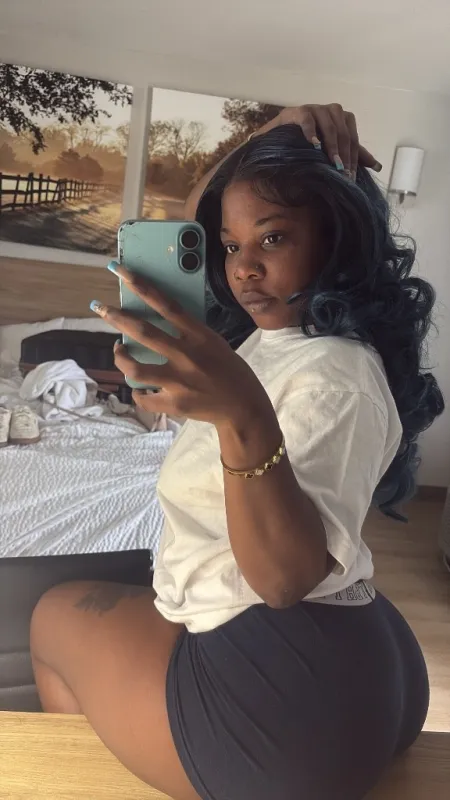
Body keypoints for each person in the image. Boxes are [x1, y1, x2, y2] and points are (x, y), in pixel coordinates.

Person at [30, 103, 444, 800]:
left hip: (281, 717)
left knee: (51, 618)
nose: (245, 267)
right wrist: (266, 133)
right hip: (349, 666)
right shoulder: (276, 340)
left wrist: (239, 415)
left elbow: (282, 581)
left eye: (273, 238)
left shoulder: (335, 372)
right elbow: (204, 215)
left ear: (337, 241)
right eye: (229, 246)